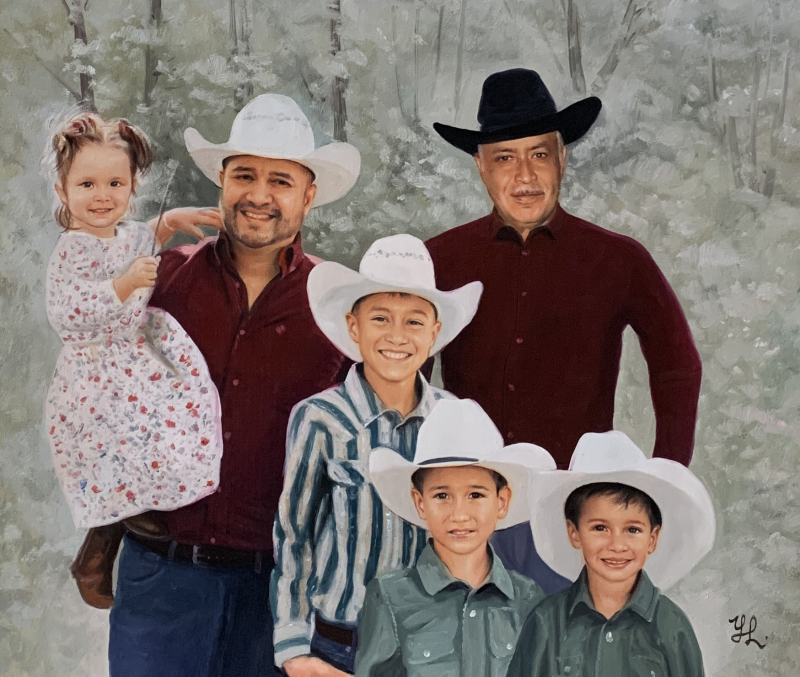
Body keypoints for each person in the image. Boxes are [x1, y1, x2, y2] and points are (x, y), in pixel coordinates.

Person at [103, 93, 360, 677]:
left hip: (280, 591)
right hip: (161, 577)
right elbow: (75, 305)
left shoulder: (342, 307)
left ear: (308, 193)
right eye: (244, 175)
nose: (260, 195)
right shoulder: (161, 280)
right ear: (222, 181)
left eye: (281, 180)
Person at [425, 68, 703, 591]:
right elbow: (396, 378)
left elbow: (676, 367)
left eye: (539, 154)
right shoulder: (439, 259)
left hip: (571, 514)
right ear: (480, 167)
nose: (524, 175)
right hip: (466, 517)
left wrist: (661, 481)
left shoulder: (620, 260)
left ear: (563, 158)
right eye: (504, 157)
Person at [271, 233, 483, 676]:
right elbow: (294, 535)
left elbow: (473, 538)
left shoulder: (453, 419)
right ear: (354, 326)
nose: (396, 336)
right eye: (381, 318)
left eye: (414, 322)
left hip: (432, 642)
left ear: (435, 332)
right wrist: (294, 647)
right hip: (338, 641)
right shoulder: (321, 419)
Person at [44, 111, 224, 604]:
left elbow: (139, 240)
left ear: (132, 185)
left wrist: (167, 223)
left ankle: (142, 507)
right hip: (97, 367)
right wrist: (123, 285)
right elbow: (68, 310)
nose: (102, 196)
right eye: (87, 184)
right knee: (121, 439)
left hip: (136, 355)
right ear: (62, 192)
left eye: (115, 183)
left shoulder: (121, 234)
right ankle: (105, 542)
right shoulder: (73, 248)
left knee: (180, 413)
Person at [354, 398, 555, 677]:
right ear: (420, 502)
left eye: (475, 495)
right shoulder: (389, 598)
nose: (459, 514)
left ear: (501, 501)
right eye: (442, 496)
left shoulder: (527, 598)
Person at [506, 430, 715, 677]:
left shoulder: (672, 627)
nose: (617, 544)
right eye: (600, 528)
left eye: (632, 529)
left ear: (653, 538)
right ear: (573, 533)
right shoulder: (545, 622)